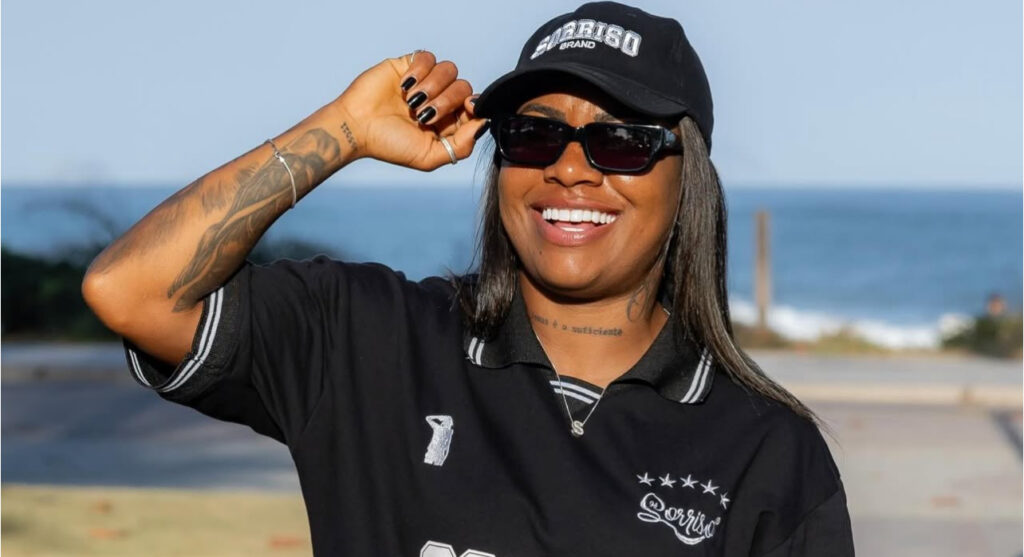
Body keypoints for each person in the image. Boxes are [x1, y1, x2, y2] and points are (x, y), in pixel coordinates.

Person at [82, 2, 854, 555]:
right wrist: (344, 129)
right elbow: (130, 288)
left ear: (688, 182)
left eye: (620, 141)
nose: (570, 169)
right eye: (534, 134)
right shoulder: (373, 340)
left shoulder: (767, 450)